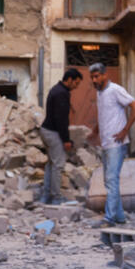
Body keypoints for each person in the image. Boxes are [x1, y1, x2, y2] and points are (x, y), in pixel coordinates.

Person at [89, 62, 135, 226]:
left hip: (117, 143)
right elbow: (104, 113)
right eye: (92, 77)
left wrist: (125, 129)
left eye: (97, 76)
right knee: (110, 181)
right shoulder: (100, 93)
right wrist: (96, 131)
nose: (94, 80)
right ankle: (119, 217)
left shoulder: (115, 90)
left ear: (105, 75)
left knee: (111, 180)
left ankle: (109, 218)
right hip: (106, 143)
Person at [40, 69, 84, 205]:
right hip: (53, 133)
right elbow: (61, 119)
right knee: (58, 166)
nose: (76, 87)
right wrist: (66, 140)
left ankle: (46, 196)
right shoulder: (62, 93)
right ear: (69, 79)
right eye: (76, 83)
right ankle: (56, 198)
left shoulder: (56, 89)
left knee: (51, 165)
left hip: (46, 130)